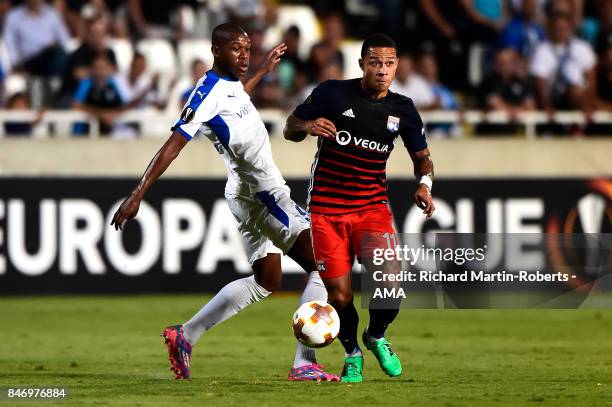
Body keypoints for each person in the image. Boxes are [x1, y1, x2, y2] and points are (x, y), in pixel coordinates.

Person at [110, 23, 339, 382]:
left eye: (247, 48)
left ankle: (185, 335)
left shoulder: (230, 85)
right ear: (217, 51)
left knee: (266, 280)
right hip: (263, 194)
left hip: (244, 193)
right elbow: (173, 145)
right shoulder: (205, 93)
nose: (244, 55)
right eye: (236, 49)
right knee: (324, 264)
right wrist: (138, 194)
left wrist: (262, 70)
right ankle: (304, 362)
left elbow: (233, 101)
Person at [283, 34, 436, 383]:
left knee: (389, 285)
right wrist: (307, 126)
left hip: (372, 208)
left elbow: (423, 159)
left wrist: (424, 186)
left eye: (389, 63)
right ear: (362, 64)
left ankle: (376, 336)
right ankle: (352, 353)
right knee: (339, 294)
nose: (382, 70)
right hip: (327, 211)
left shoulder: (403, 109)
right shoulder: (332, 93)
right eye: (375, 62)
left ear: (396, 65)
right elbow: (289, 127)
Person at [530, 0, 596, 118]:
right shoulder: (541, 51)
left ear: (571, 21)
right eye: (555, 16)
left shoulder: (583, 49)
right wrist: (547, 108)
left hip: (580, 108)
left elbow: (592, 86)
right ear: (549, 20)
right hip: (555, 108)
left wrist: (588, 106)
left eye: (565, 17)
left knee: (575, 87)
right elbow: (539, 88)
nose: (560, 22)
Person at [2, 0, 69, 77]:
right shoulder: (13, 16)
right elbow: (9, 44)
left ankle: (55, 82)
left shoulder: (52, 14)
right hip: (27, 62)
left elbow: (65, 40)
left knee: (59, 53)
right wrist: (16, 65)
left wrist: (56, 48)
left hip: (50, 58)